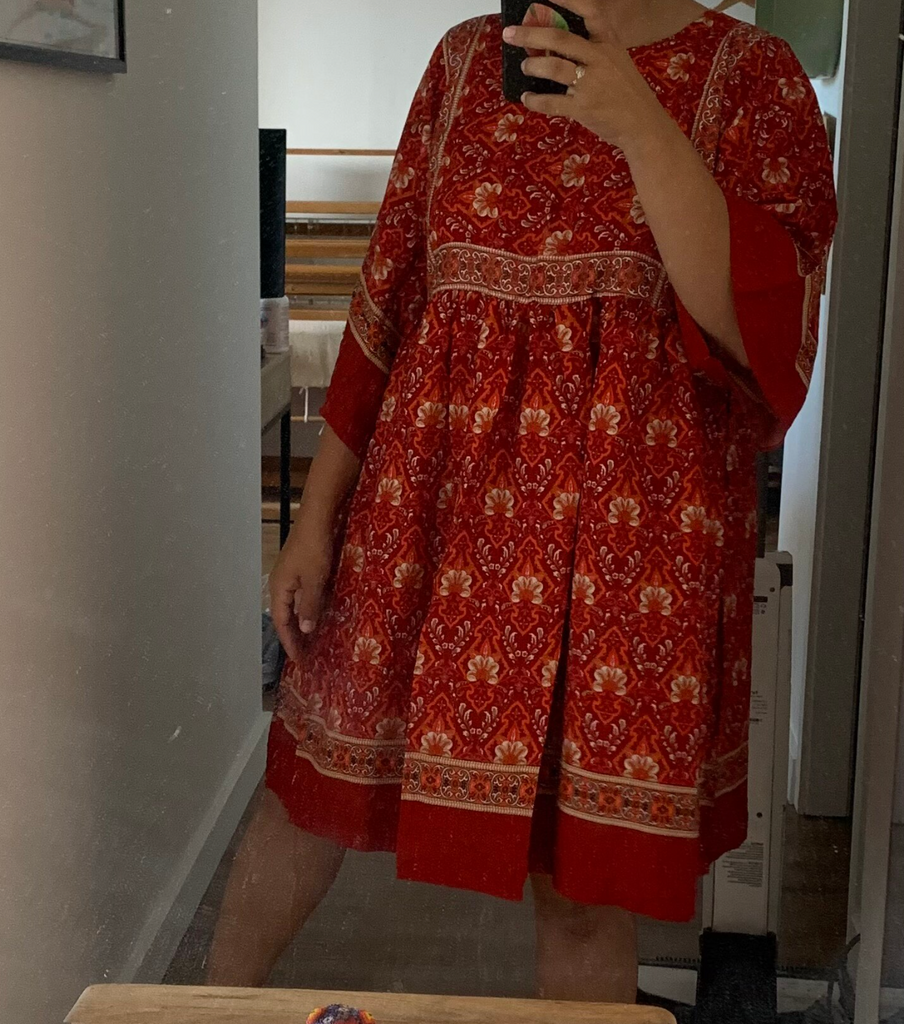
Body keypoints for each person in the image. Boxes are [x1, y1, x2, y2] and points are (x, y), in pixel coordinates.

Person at [207, 0, 838, 1000]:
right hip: (421, 512)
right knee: (305, 795)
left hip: (626, 545)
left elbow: (759, 332)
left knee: (582, 886)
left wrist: (640, 124)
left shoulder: (755, 79)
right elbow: (388, 299)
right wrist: (315, 518)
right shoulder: (465, 61)